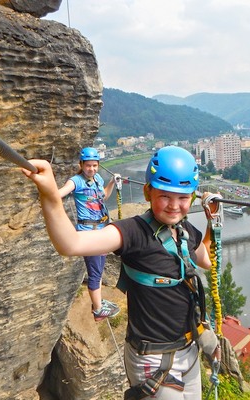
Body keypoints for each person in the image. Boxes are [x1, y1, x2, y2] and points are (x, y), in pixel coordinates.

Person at [23, 146, 220, 400]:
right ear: (148, 192)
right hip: (153, 358)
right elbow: (70, 244)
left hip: (188, 350)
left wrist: (212, 223)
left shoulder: (185, 231)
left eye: (182, 198)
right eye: (165, 196)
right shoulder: (132, 232)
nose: (174, 206)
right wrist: (50, 194)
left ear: (191, 197)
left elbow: (205, 259)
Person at [58, 147, 120, 321]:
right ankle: (99, 310)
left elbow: (104, 197)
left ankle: (97, 302)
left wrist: (112, 182)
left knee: (98, 271)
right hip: (88, 233)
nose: (91, 169)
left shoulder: (97, 179)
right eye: (88, 166)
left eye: (94, 165)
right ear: (81, 165)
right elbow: (60, 194)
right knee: (95, 273)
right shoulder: (76, 181)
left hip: (100, 230)